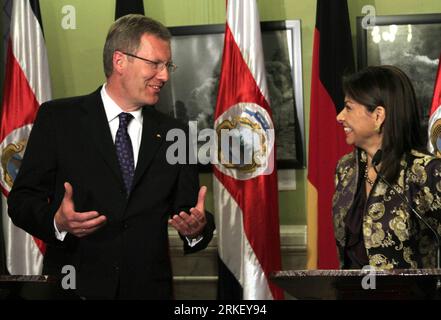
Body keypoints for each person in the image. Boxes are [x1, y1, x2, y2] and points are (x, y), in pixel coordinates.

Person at [7, 14, 215, 299]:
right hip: (75, 289)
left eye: (168, 65)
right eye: (155, 64)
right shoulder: (59, 119)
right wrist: (57, 222)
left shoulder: (176, 134)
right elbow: (21, 200)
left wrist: (196, 229)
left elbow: (189, 213)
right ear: (120, 61)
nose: (165, 75)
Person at [333, 65, 441, 270]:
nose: (340, 117)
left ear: (378, 116)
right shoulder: (345, 169)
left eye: (348, 107)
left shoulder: (426, 172)